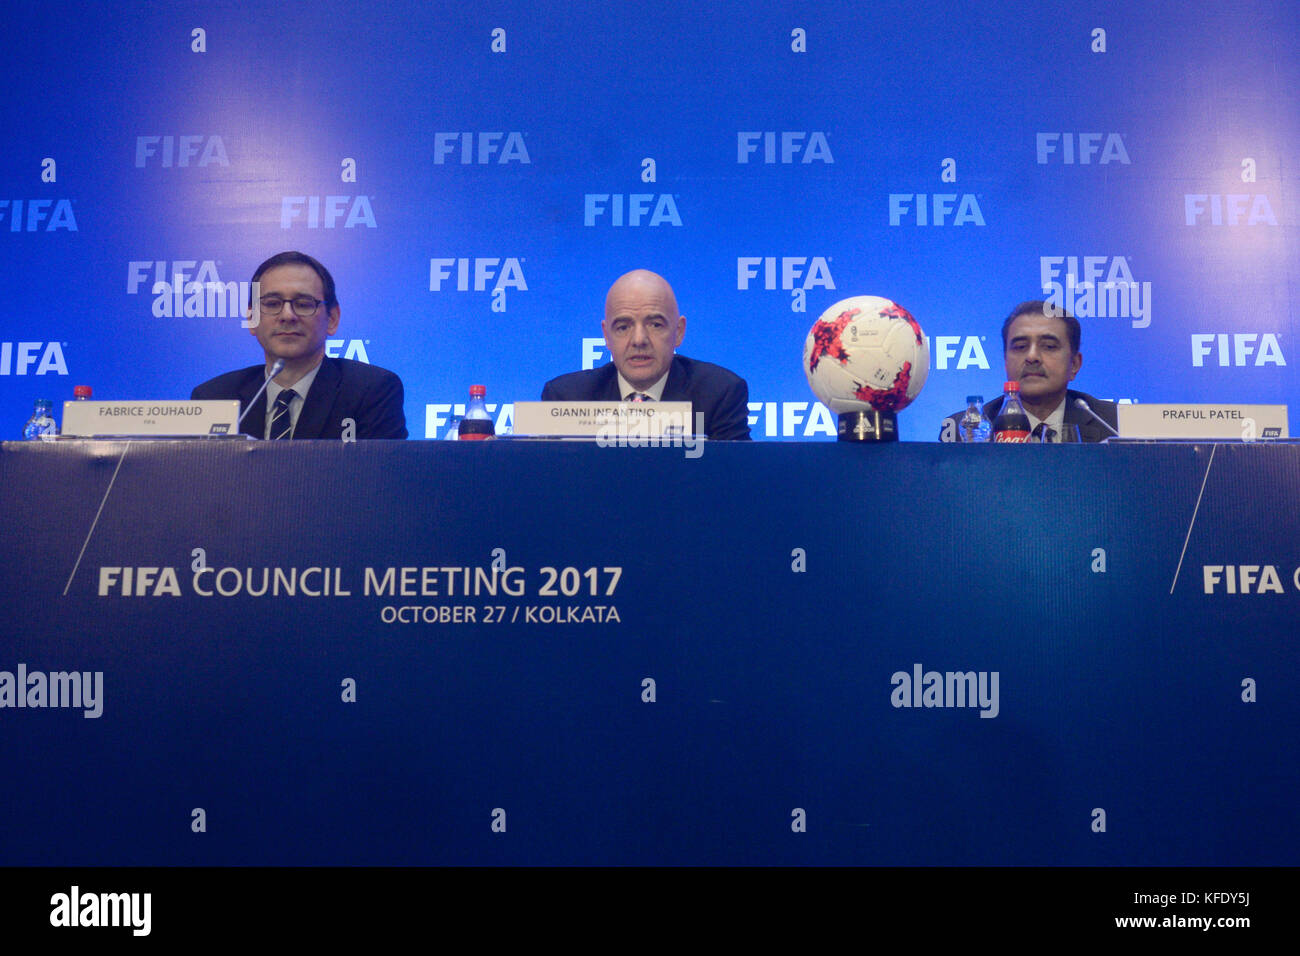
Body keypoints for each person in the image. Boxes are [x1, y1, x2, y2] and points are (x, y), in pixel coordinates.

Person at [192, 251, 407, 439]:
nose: (287, 315)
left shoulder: (370, 392)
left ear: (332, 319)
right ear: (252, 318)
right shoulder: (215, 397)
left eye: (303, 304)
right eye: (272, 304)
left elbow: (379, 481)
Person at [541, 269, 751, 440]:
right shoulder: (565, 399)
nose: (639, 339)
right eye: (623, 327)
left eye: (655, 324)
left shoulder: (720, 393)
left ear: (678, 332)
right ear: (607, 336)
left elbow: (735, 483)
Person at [941, 300, 1118, 442]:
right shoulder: (966, 429)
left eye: (1048, 346)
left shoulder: (1114, 423)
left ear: (1074, 364)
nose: (1032, 356)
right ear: (1005, 361)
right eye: (1020, 347)